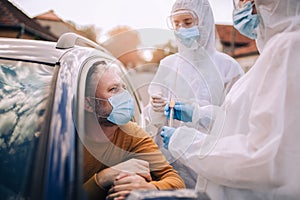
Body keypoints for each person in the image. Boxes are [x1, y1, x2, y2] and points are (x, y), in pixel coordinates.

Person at [160, 0, 300, 199]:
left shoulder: (288, 49)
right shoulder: (274, 54)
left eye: (246, 1)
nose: (241, 7)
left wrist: (186, 142)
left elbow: (265, 158)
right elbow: (242, 123)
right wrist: (200, 114)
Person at [143, 0, 244, 189]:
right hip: (172, 169)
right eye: (176, 24)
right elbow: (150, 121)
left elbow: (236, 122)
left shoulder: (229, 68)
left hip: (212, 165)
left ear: (204, 21)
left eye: (188, 22)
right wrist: (155, 110)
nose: (181, 29)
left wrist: (199, 115)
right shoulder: (168, 65)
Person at [81, 62, 186, 200]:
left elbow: (176, 182)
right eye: (113, 89)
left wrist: (149, 189)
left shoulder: (132, 134)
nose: (125, 96)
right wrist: (104, 178)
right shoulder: (62, 138)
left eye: (123, 88)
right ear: (88, 104)